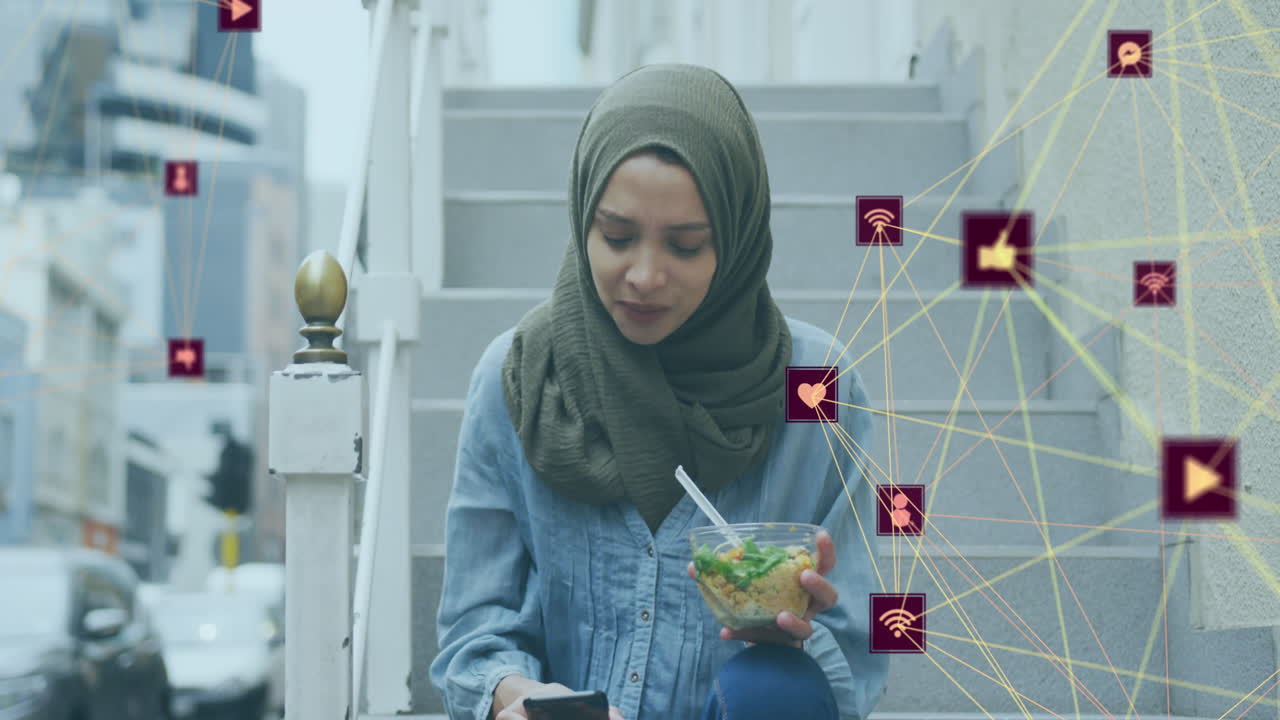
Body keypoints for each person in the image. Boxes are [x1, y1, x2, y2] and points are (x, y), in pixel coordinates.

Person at [430, 63, 888, 720]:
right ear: (582, 221)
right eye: (616, 237)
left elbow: (858, 662)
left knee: (774, 692)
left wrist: (796, 642)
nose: (644, 276)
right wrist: (521, 697)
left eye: (686, 246)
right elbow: (474, 637)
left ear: (735, 240)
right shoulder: (521, 379)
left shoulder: (816, 390)